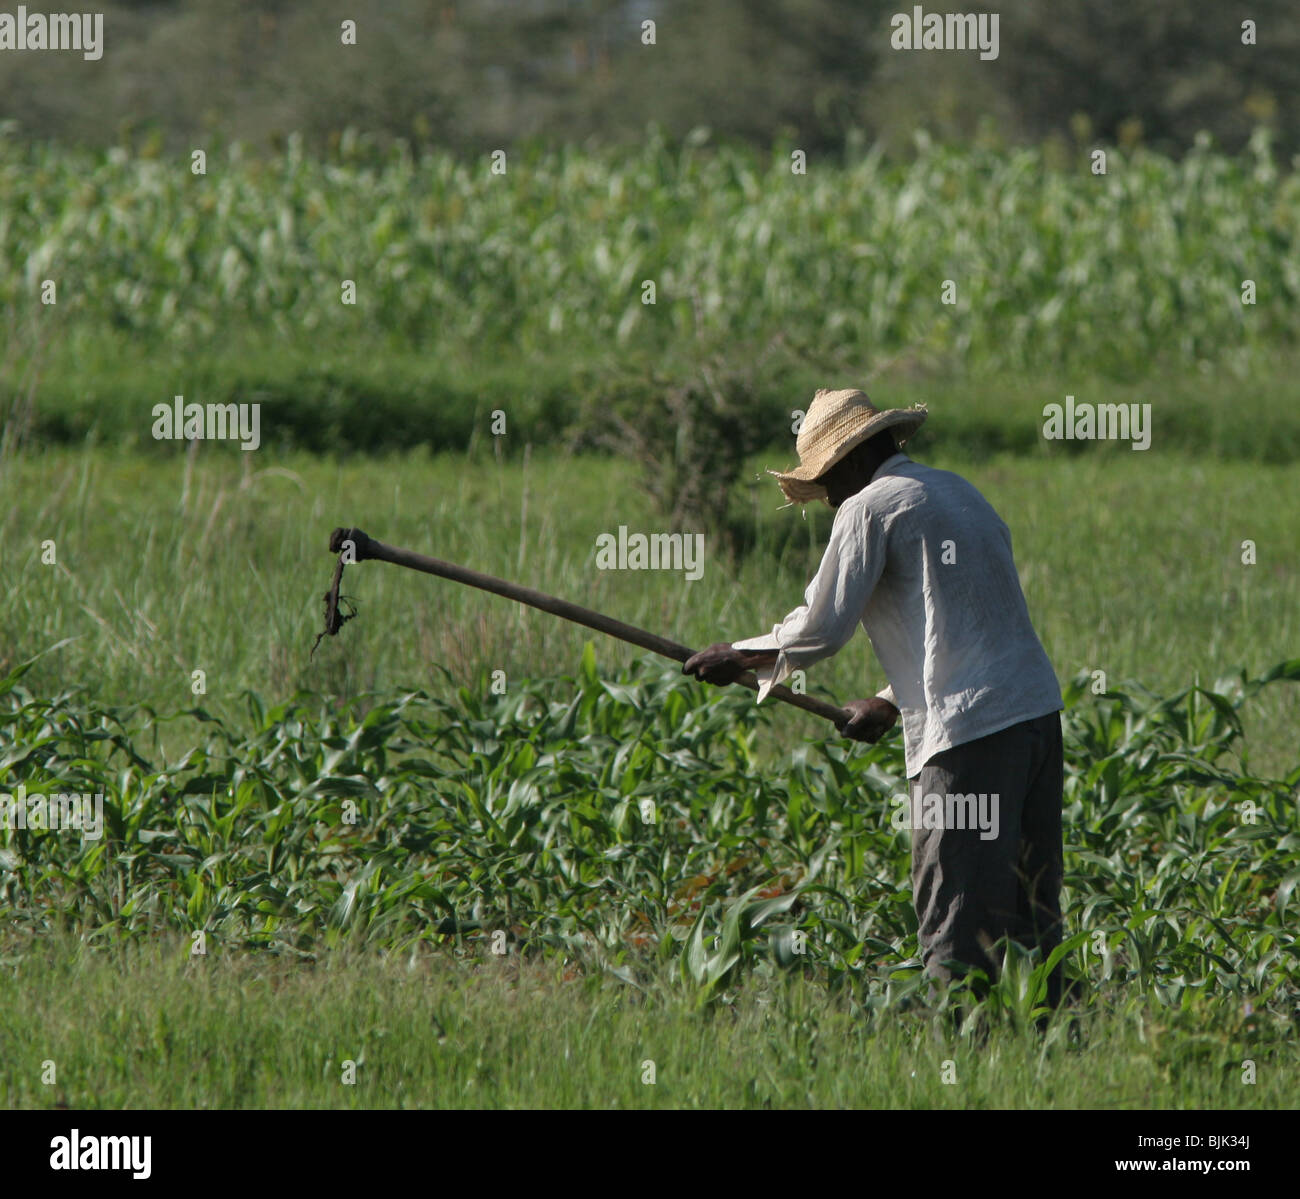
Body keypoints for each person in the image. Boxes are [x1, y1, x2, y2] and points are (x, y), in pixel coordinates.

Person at [683, 388, 1069, 1007]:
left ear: (851, 461)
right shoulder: (960, 494)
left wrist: (743, 656)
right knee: (1031, 908)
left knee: (957, 915)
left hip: (966, 738)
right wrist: (890, 700)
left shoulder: (869, 507)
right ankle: (1055, 1046)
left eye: (828, 482)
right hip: (1034, 719)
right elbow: (968, 622)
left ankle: (963, 1060)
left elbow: (820, 629)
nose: (829, 498)